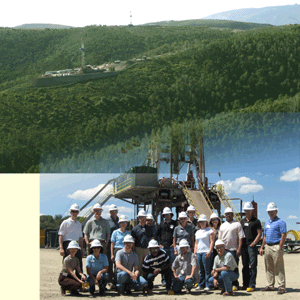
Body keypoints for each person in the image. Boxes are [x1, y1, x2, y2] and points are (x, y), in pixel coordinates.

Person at [259, 202, 287, 295]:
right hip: (268, 246)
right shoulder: (267, 223)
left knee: (278, 267)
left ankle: (281, 287)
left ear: (276, 211)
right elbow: (265, 236)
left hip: (276, 246)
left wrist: (280, 247)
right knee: (268, 267)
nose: (271, 213)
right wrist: (262, 247)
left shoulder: (281, 222)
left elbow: (283, 235)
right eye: (269, 211)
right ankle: (270, 285)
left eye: (272, 211)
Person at [219, 207, 245, 290]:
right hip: (224, 250)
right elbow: (220, 239)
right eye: (227, 214)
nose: (228, 215)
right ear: (225, 215)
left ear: (232, 215)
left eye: (230, 214)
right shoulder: (222, 225)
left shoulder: (237, 224)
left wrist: (239, 249)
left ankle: (235, 284)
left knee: (234, 268)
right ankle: (225, 284)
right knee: (224, 267)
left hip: (233, 250)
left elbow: (241, 237)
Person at [240, 202, 262, 292]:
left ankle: (252, 285)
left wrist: (254, 243)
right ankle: (245, 284)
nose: (247, 211)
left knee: (253, 266)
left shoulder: (256, 221)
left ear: (252, 210)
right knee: (245, 265)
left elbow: (259, 233)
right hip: (244, 247)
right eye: (246, 210)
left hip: (251, 246)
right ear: (244, 211)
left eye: (249, 210)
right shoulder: (242, 221)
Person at [58, 203, 84, 274]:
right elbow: (61, 235)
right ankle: (65, 280)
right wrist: (61, 248)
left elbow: (80, 237)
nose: (74, 213)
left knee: (79, 263)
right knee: (66, 264)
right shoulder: (65, 222)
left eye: (76, 211)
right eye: (73, 211)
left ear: (78, 212)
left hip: (76, 244)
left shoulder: (79, 224)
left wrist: (81, 248)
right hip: (67, 244)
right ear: (70, 212)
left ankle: (80, 281)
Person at [157, 207, 177, 287]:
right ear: (163, 215)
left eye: (168, 214)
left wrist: (174, 243)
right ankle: (164, 280)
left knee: (172, 263)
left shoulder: (175, 223)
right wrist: (159, 244)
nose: (167, 216)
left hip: (171, 247)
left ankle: (172, 279)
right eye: (165, 215)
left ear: (171, 215)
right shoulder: (161, 224)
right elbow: (157, 235)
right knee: (163, 264)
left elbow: (176, 234)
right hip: (163, 247)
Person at [194, 214, 215, 292]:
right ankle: (201, 284)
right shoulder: (197, 232)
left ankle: (208, 285)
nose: (202, 223)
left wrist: (209, 251)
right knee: (201, 270)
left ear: (206, 222)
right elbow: (196, 243)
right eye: (200, 222)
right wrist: (195, 251)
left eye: (203, 221)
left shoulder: (210, 230)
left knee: (207, 270)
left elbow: (212, 242)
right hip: (199, 252)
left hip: (206, 252)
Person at [131, 209, 154, 274]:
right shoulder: (135, 229)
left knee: (147, 264)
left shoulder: (149, 228)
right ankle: (139, 280)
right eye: (141, 217)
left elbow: (152, 239)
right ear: (138, 218)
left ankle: (146, 280)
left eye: (144, 217)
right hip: (138, 249)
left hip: (147, 249)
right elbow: (133, 241)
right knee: (138, 266)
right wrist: (134, 250)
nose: (142, 219)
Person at [107, 204, 119, 285]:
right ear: (110, 212)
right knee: (109, 263)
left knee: (117, 263)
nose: (113, 212)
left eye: (115, 211)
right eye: (112, 211)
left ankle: (117, 280)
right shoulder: (107, 221)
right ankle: (110, 280)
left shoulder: (120, 220)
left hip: (118, 245)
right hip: (109, 245)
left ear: (117, 211)